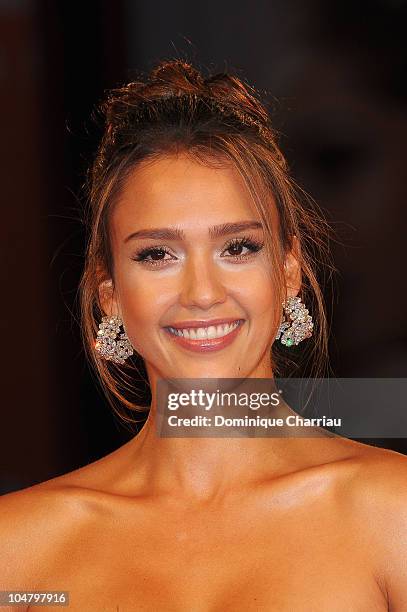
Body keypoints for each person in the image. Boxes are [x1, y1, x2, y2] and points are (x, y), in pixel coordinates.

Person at [1, 59, 407, 611]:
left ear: (288, 272)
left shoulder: (391, 514)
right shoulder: (20, 548)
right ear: (110, 294)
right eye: (157, 254)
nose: (201, 293)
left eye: (238, 247)